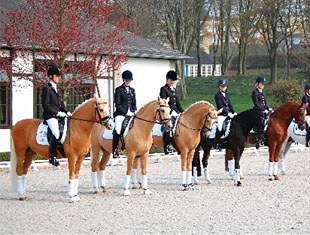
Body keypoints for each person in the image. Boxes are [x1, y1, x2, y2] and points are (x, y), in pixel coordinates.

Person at [41, 66, 69, 166]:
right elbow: (46, 106)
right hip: (50, 116)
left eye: (59, 76)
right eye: (57, 76)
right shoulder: (46, 88)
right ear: (51, 76)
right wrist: (56, 113)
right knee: (57, 133)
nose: (59, 78)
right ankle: (52, 157)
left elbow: (60, 104)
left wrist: (67, 112)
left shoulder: (56, 88)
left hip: (58, 115)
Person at [113, 70, 137, 158]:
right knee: (118, 129)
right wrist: (126, 112)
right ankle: (115, 149)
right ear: (123, 80)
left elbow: (134, 102)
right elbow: (117, 104)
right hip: (120, 114)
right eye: (127, 80)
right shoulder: (119, 90)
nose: (128, 82)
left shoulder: (132, 90)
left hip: (131, 113)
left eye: (129, 80)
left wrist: (134, 110)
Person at [159, 70, 183, 155]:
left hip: (175, 111)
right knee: (168, 127)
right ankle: (167, 146)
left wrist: (183, 112)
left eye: (175, 80)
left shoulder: (174, 89)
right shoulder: (163, 89)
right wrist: (171, 111)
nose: (174, 82)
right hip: (168, 112)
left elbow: (178, 102)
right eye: (173, 80)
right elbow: (163, 103)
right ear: (168, 80)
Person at [251, 76, 271, 148]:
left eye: (263, 84)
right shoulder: (255, 92)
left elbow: (265, 103)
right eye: (262, 84)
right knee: (261, 123)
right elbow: (256, 103)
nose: (263, 85)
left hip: (263, 110)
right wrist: (263, 109)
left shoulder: (262, 92)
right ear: (258, 84)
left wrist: (268, 108)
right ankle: (259, 140)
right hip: (257, 110)